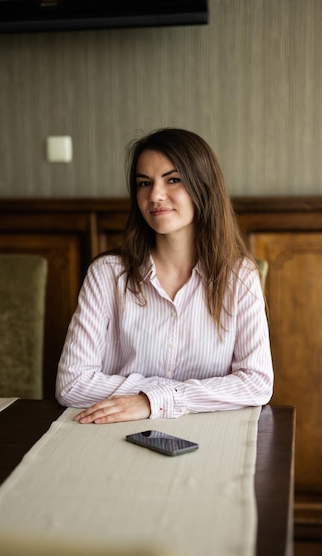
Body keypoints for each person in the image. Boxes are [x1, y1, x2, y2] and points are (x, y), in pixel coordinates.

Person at [56, 128, 273, 424]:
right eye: (144, 183)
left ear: (203, 187)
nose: (155, 195)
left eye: (173, 179)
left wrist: (151, 401)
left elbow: (257, 384)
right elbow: (71, 384)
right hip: (113, 432)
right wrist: (176, 397)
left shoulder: (240, 276)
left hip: (213, 436)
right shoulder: (106, 274)